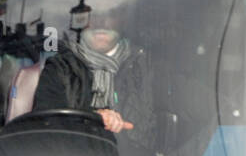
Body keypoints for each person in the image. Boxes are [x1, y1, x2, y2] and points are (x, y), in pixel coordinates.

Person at [32, 12, 154, 147]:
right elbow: (45, 128)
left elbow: (156, 132)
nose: (101, 22)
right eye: (94, 14)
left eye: (110, 13)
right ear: (82, 22)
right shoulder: (60, 67)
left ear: (122, 20)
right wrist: (92, 119)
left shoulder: (145, 65)